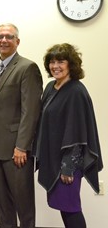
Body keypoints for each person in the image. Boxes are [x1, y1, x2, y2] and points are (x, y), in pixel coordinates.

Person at [33, 43, 103, 228]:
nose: (55, 66)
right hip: (54, 159)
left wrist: (68, 168)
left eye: (61, 61)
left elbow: (77, 132)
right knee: (65, 207)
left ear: (71, 64)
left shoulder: (76, 91)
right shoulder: (51, 87)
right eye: (52, 62)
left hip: (68, 163)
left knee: (71, 208)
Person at [0, 23, 43, 228]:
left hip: (17, 150)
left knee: (23, 204)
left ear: (17, 41)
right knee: (2, 205)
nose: (4, 40)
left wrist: (22, 146)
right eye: (0, 36)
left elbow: (31, 111)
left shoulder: (27, 68)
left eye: (9, 36)